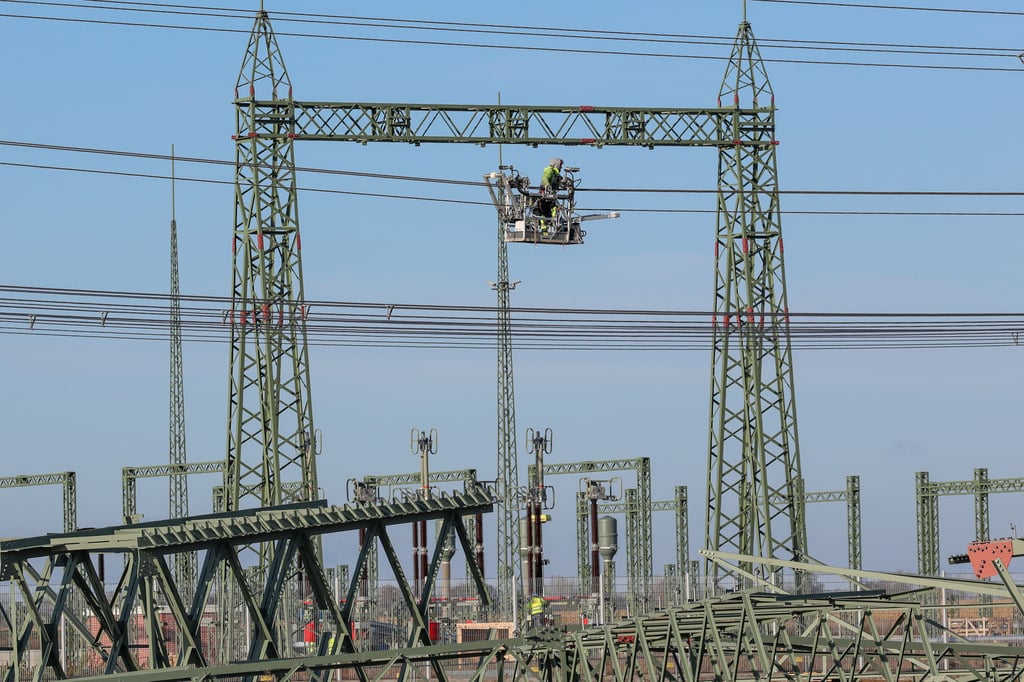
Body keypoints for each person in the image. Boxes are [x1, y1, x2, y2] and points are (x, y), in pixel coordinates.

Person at [537, 158, 563, 233]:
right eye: (560, 165)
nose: (561, 167)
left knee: (552, 209)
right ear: (556, 164)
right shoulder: (549, 171)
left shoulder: (555, 174)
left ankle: (551, 223)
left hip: (550, 194)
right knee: (544, 210)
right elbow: (545, 179)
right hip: (544, 194)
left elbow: (556, 185)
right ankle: (545, 225)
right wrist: (548, 185)